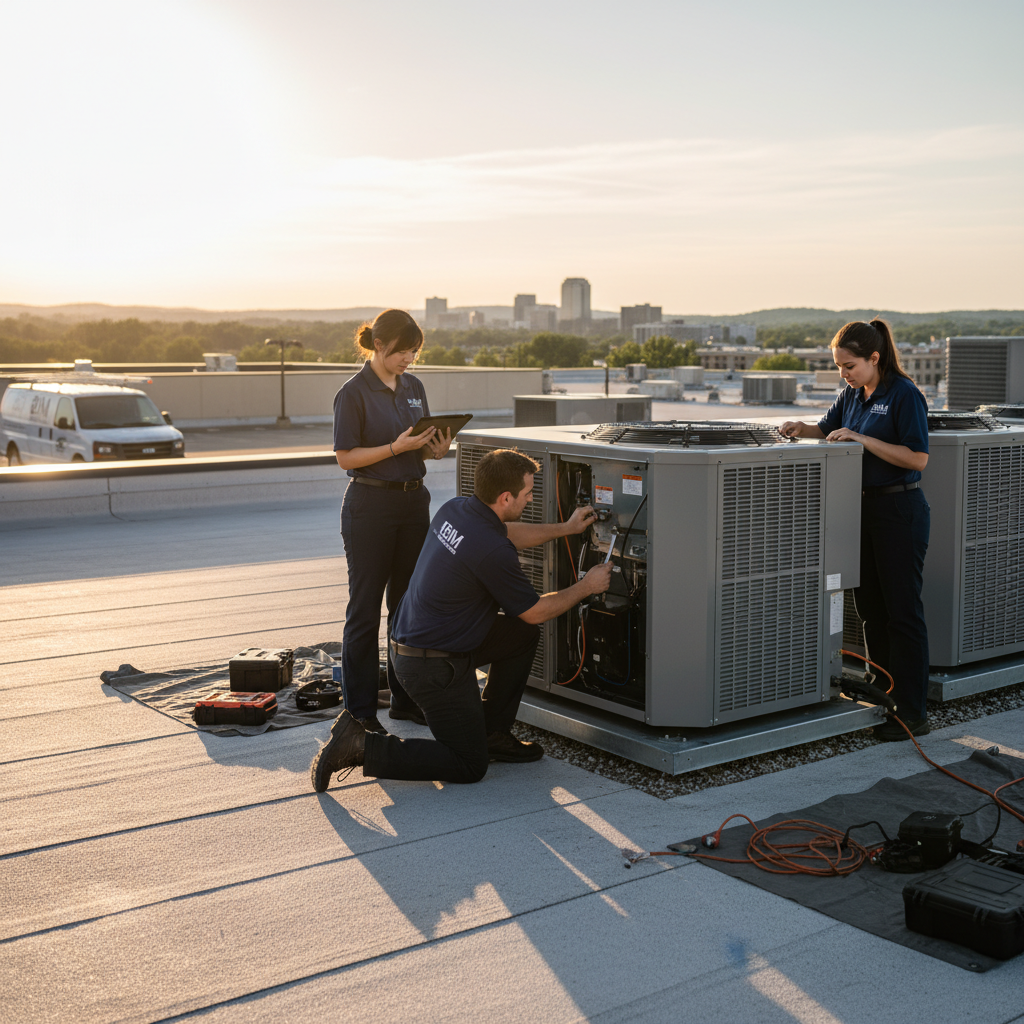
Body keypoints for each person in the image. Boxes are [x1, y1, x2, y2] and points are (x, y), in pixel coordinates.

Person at [310, 448, 613, 789]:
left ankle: (493, 734)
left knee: (519, 635)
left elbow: (507, 533)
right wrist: (587, 586)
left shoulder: (457, 510)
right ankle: (361, 746)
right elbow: (535, 610)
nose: (530, 499)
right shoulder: (492, 551)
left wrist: (567, 528)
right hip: (432, 668)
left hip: (413, 644)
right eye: (528, 494)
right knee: (470, 764)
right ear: (505, 497)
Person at [781, 318, 930, 741]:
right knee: (870, 611)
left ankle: (913, 712)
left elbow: (918, 458)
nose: (843, 374)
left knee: (903, 612)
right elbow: (828, 430)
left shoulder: (904, 394)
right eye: (839, 367)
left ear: (874, 358)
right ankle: (883, 695)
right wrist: (801, 429)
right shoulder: (851, 395)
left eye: (849, 365)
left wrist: (863, 440)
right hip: (862, 512)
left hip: (900, 509)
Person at [333, 308, 452, 735]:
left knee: (406, 608)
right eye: (404, 352)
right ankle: (361, 713)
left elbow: (416, 447)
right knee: (364, 610)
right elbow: (346, 456)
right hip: (370, 505)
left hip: (412, 503)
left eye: (415, 353)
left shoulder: (414, 386)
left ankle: (405, 701)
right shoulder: (353, 393)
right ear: (379, 345)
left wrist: (432, 449)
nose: (410, 360)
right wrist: (395, 447)